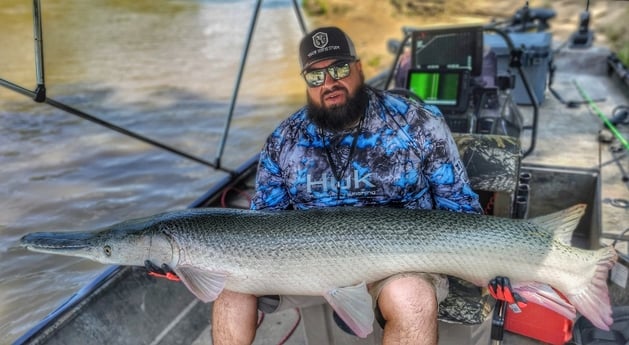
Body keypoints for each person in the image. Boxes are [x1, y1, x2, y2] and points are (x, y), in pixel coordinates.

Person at [210, 26, 485, 345]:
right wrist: (192, 261)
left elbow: (461, 209)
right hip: (305, 266)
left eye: (338, 68)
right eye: (315, 76)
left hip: (403, 264)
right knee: (231, 291)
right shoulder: (284, 140)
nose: (329, 83)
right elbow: (264, 222)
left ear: (358, 68)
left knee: (411, 297)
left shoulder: (418, 124)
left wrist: (490, 266)